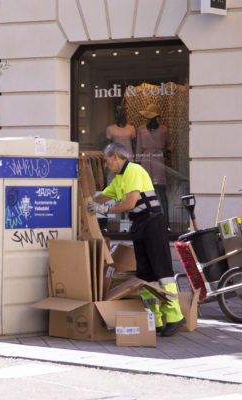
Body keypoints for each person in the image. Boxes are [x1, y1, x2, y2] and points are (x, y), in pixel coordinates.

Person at [87, 142, 185, 336]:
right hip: (140, 225)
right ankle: (155, 319)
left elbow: (130, 202)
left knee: (161, 270)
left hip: (153, 223)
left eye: (106, 161)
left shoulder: (133, 170)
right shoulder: (119, 178)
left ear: (116, 157)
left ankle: (175, 316)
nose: (105, 166)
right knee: (145, 274)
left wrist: (104, 210)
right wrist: (84, 199)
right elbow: (101, 197)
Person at [136, 103, 172, 226]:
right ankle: (146, 219)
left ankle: (166, 221)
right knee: (145, 191)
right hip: (145, 160)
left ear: (156, 117)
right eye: (149, 117)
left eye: (152, 117)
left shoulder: (164, 129)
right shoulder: (141, 129)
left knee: (161, 191)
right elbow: (138, 148)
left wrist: (166, 151)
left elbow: (170, 144)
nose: (150, 119)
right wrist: (137, 164)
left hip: (159, 161)